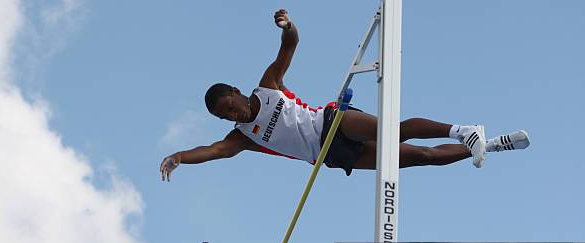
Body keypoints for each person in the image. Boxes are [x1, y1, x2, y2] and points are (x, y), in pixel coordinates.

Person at [160, 9, 530, 181]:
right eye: (227, 117)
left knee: (395, 131)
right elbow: (211, 152)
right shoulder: (241, 139)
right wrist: (179, 155)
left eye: (231, 107)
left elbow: (290, 46)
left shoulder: (267, 85)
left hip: (332, 122)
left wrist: (288, 26)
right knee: (421, 158)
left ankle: (464, 129)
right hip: (329, 155)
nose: (234, 116)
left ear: (237, 93)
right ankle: (490, 144)